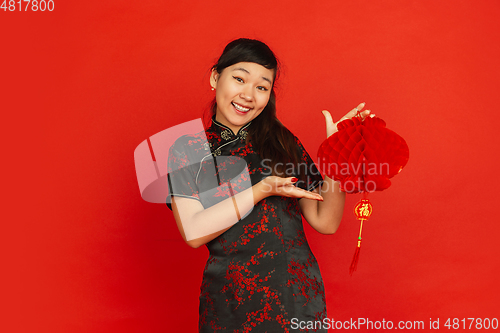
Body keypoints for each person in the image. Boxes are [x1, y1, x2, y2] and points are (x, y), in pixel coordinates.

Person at [166, 38, 371, 332]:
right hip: (231, 302)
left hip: (298, 298)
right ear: (215, 77)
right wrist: (262, 190)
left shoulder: (283, 143)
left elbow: (326, 222)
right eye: (239, 79)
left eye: (262, 87)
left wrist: (336, 154)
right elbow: (194, 232)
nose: (249, 95)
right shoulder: (188, 149)